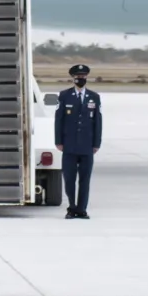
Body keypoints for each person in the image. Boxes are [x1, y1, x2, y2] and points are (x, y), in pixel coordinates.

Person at [54, 62, 102, 218]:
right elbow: (59, 120)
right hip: (69, 146)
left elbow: (98, 122)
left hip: (87, 146)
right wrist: (58, 141)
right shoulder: (64, 96)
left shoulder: (94, 97)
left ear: (86, 77)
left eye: (83, 76)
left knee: (84, 180)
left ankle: (82, 209)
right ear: (73, 78)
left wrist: (96, 143)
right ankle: (72, 207)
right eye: (77, 76)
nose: (80, 78)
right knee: (69, 180)